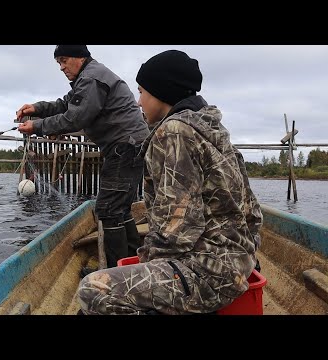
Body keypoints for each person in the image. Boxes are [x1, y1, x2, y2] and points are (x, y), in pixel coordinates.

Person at [77, 49, 263, 315]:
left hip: (207, 273)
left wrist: (145, 264)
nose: (138, 102)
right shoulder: (213, 131)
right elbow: (253, 214)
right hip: (237, 263)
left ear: (160, 93)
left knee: (93, 289)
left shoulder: (173, 132)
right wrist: (247, 260)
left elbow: (176, 230)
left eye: (141, 92)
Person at [16, 45, 150, 273]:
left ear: (81, 57)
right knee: (121, 209)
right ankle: (130, 265)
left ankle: (115, 276)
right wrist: (37, 107)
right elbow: (66, 104)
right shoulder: (89, 77)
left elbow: (75, 117)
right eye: (58, 62)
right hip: (129, 146)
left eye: (64, 60)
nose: (62, 67)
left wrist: (36, 126)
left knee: (108, 210)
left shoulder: (91, 79)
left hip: (124, 147)